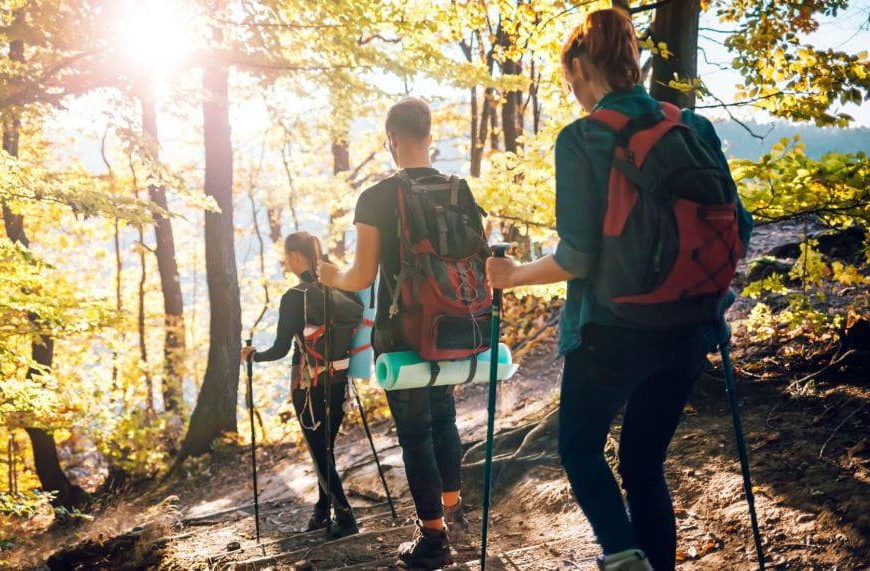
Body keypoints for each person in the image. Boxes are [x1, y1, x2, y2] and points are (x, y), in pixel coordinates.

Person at [486, 9, 753, 571]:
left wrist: (512, 276)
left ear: (581, 68)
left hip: (612, 332)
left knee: (580, 448)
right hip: (693, 325)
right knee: (643, 463)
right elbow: (741, 226)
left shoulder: (583, 137)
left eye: (570, 81)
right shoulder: (693, 127)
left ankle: (624, 559)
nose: (574, 94)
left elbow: (577, 256)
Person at [318, 96, 481, 569]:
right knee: (444, 416)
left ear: (390, 140)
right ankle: (454, 512)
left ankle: (433, 539)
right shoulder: (458, 189)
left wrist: (332, 276)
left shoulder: (375, 196)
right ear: (430, 137)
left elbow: (363, 276)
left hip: (402, 330)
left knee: (415, 434)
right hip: (453, 321)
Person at [241, 231, 359, 539]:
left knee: (320, 451)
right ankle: (322, 512)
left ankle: (345, 517)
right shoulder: (344, 288)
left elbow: (281, 349)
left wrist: (255, 356)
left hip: (308, 384)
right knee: (327, 448)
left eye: (287, 257)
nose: (287, 262)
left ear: (295, 257)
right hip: (339, 378)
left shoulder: (294, 298)